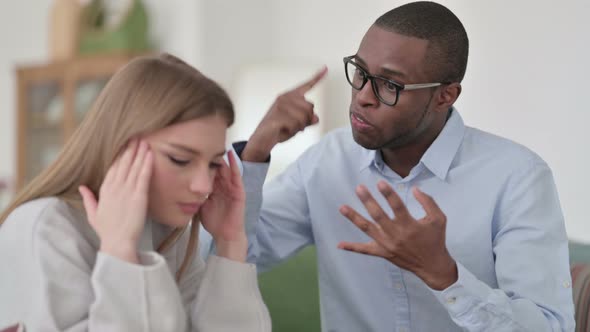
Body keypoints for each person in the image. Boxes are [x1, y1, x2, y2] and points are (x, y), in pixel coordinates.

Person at [217, 1, 575, 331]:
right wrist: (255, 153)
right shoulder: (329, 160)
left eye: (390, 84)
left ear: (445, 95)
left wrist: (445, 276)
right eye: (360, 71)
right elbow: (233, 259)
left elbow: (549, 326)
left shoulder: (517, 177)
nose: (363, 97)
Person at [0, 53, 271, 331]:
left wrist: (230, 244)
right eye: (180, 159)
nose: (203, 185)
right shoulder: (45, 226)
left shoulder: (168, 230)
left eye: (214, 164)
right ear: (120, 146)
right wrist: (120, 253)